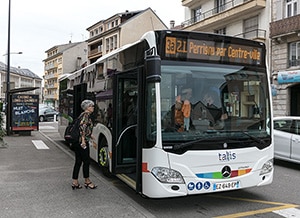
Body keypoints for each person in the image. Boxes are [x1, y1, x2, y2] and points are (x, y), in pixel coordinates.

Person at [71, 99, 97, 190]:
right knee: (86, 161)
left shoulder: (81, 115)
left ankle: (75, 182)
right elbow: (83, 128)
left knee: (78, 161)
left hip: (76, 142)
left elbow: (83, 128)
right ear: (87, 107)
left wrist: (90, 135)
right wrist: (83, 141)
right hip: (82, 142)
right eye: (92, 106)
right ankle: (87, 181)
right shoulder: (86, 115)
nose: (93, 108)